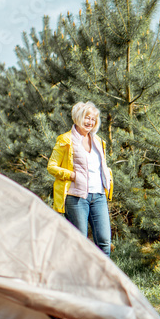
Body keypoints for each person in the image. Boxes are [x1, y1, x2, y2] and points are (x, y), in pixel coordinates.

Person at [48, 101, 114, 256]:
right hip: (76, 197)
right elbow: (51, 166)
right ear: (78, 118)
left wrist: (108, 178)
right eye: (87, 118)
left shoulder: (98, 141)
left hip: (98, 195)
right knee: (79, 241)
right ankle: (76, 277)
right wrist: (73, 175)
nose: (90, 122)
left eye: (93, 119)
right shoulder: (66, 140)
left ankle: (103, 278)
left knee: (104, 241)